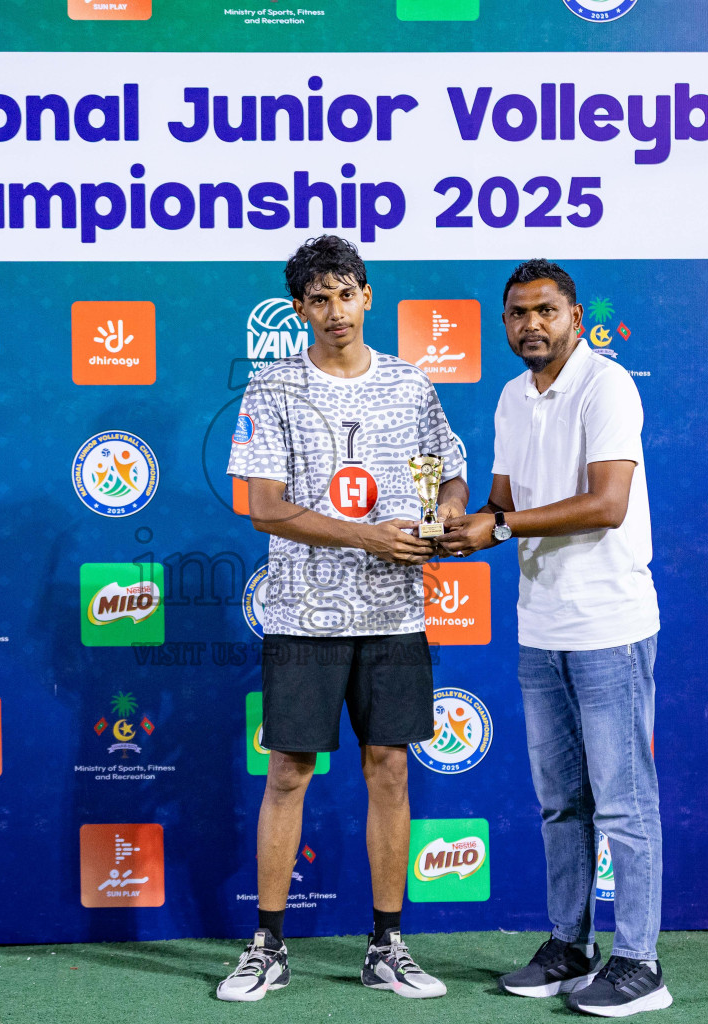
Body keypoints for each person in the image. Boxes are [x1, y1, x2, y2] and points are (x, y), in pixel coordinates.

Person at [217, 235, 467, 1003]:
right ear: (299, 311)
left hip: (394, 613)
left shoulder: (411, 384)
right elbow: (263, 506)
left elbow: (448, 472)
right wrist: (367, 534)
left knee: (388, 769)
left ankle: (387, 947)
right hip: (302, 614)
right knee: (288, 772)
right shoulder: (272, 387)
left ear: (368, 295)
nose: (334, 310)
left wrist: (445, 518)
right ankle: (266, 946)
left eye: (345, 293)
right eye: (317, 299)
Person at [440, 259, 670, 1017]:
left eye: (545, 310)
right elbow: (502, 503)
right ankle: (571, 947)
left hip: (609, 624)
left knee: (623, 805)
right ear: (503, 324)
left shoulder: (607, 385)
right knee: (559, 802)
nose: (530, 324)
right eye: (516, 314)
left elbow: (607, 503)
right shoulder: (512, 397)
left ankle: (641, 962)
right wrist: (453, 525)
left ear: (575, 316)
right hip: (539, 625)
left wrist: (500, 523)